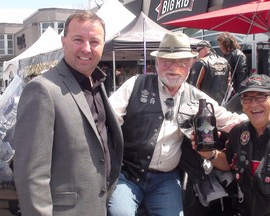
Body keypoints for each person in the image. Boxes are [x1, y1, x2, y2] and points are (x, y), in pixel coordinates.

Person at [107, 32, 247, 216]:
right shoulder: (135, 85)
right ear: (156, 63)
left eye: (181, 62)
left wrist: (261, 122)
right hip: (128, 175)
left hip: (165, 179)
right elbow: (107, 119)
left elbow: (230, 120)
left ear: (190, 66)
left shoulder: (196, 97)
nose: (173, 67)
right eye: (166, 61)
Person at [13, 10, 124, 216]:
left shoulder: (97, 85)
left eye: (94, 41)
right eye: (78, 39)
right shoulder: (43, 89)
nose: (86, 48)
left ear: (103, 46)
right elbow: (31, 176)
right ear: (63, 42)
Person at [192, 73, 270, 216]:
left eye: (260, 96)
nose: (253, 103)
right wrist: (210, 154)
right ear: (241, 103)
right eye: (247, 98)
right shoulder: (238, 132)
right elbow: (228, 162)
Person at [188, 40, 231, 105]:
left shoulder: (201, 62)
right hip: (222, 102)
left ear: (205, 49)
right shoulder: (225, 61)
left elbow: (194, 86)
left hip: (205, 103)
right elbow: (228, 82)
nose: (197, 54)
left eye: (198, 51)